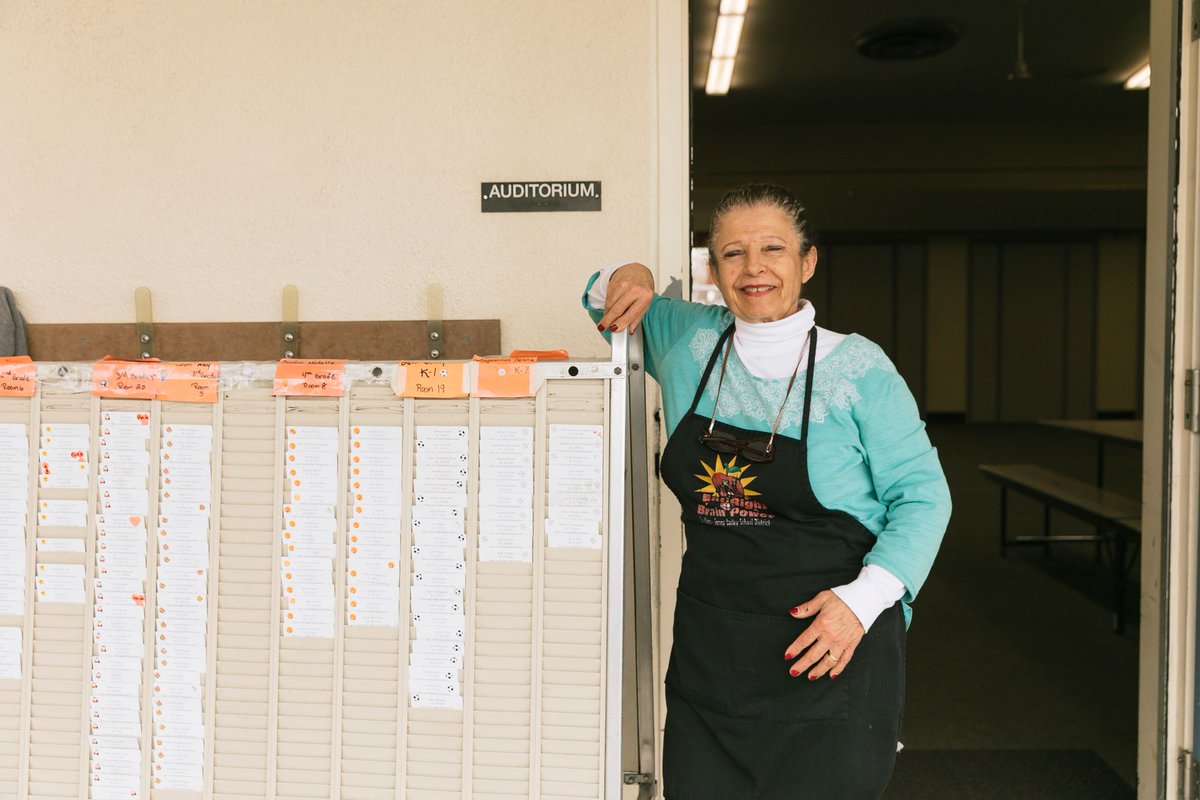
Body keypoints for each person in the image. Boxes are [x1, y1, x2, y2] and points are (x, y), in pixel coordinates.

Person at [583, 184, 951, 799]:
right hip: (714, 650)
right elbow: (598, 295)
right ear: (713, 271)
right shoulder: (686, 339)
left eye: (773, 249)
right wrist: (637, 271)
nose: (754, 268)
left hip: (830, 648)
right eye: (733, 254)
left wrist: (864, 601)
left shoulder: (859, 368)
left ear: (807, 262)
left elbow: (924, 497)